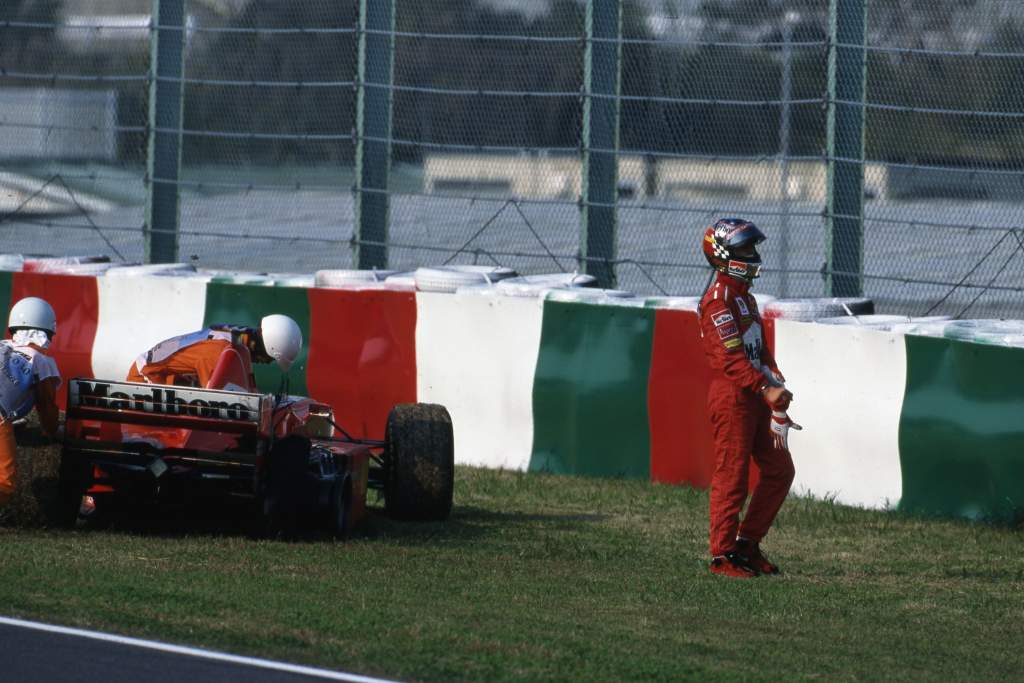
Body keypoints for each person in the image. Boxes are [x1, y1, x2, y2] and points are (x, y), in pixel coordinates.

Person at [698, 218, 800, 578]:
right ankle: (722, 556)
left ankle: (746, 544)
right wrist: (763, 386)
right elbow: (730, 359)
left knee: (779, 469)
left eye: (752, 248)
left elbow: (759, 348)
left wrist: (774, 375)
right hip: (733, 399)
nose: (753, 255)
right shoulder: (717, 301)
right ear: (724, 255)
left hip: (756, 394)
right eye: (744, 249)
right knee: (733, 476)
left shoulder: (746, 298)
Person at [0, 297, 62, 507]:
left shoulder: (1, 346)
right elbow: (46, 407)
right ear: (48, 332)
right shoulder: (41, 360)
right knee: (3, 485)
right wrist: (51, 431)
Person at [126, 314, 302, 387]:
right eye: (269, 359)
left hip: (169, 377)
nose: (265, 363)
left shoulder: (239, 344)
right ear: (268, 346)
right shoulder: (220, 352)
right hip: (147, 376)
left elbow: (248, 392)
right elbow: (215, 398)